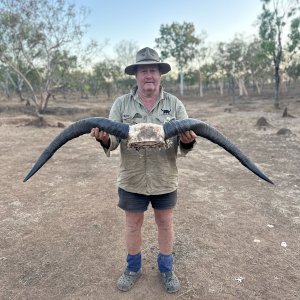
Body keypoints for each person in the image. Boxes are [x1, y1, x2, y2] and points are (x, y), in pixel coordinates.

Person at [90, 47, 196, 293]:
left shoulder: (175, 104)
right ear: (136, 75)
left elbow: (184, 142)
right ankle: (133, 268)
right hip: (132, 179)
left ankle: (167, 269)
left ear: (160, 74)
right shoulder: (121, 104)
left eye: (153, 70)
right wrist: (104, 139)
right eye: (144, 70)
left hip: (164, 178)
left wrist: (188, 140)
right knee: (132, 225)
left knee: (165, 224)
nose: (149, 75)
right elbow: (113, 142)